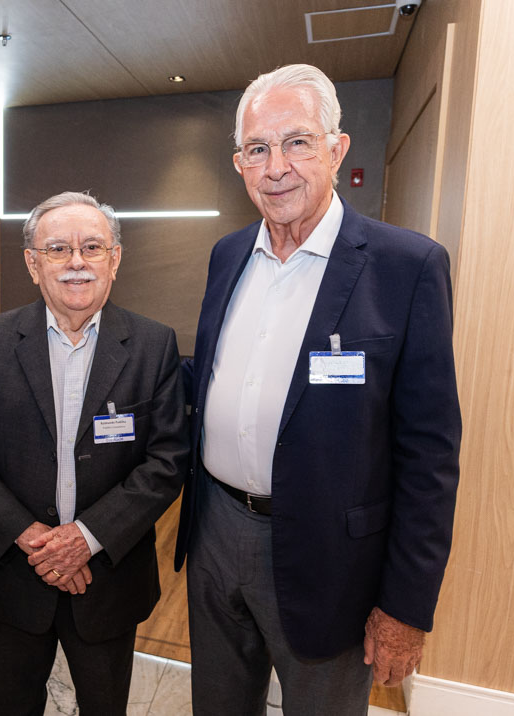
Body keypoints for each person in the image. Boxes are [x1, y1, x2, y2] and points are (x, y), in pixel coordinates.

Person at [175, 64, 462, 715]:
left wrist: (405, 607)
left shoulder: (407, 267)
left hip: (332, 558)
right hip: (216, 531)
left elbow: (430, 454)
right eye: (257, 149)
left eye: (297, 142)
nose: (276, 167)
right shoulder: (226, 255)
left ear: (337, 149)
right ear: (239, 165)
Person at [0, 191, 188, 716]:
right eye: (57, 249)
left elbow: (167, 460)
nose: (76, 261)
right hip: (14, 576)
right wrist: (35, 540)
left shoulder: (153, 345)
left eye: (92, 247)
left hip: (108, 581)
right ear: (33, 264)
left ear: (114, 259)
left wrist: (85, 538)